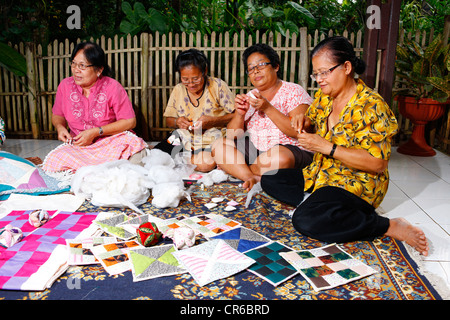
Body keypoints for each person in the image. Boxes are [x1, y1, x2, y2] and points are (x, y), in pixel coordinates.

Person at [260, 36, 429, 256]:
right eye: (316, 74)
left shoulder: (371, 105)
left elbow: (378, 163)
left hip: (356, 183)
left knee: (305, 221)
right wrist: (303, 120)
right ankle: (318, 203)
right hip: (322, 175)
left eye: (324, 72)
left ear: (346, 67)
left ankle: (388, 225)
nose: (319, 80)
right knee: (270, 178)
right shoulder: (325, 97)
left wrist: (328, 148)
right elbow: (311, 121)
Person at [212, 43, 314, 191]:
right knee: (219, 145)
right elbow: (232, 136)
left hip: (288, 150)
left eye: (261, 65)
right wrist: (240, 114)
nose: (255, 71)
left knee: (280, 159)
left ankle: (239, 170)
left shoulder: (293, 91)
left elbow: (299, 132)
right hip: (256, 151)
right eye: (251, 68)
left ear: (276, 66)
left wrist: (267, 108)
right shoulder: (250, 96)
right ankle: (251, 177)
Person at [42, 42, 148, 173]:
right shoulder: (65, 86)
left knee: (135, 156)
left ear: (99, 70)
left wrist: (95, 132)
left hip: (112, 142)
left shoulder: (112, 87)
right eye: (73, 64)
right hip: (81, 147)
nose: (76, 70)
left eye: (82, 66)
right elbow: (58, 115)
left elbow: (130, 122)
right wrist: (60, 127)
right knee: (54, 160)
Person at [153, 49, 235, 172]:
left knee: (205, 164)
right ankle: (185, 159)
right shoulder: (178, 89)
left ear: (204, 71)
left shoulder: (217, 86)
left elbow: (236, 115)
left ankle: (182, 160)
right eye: (185, 79)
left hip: (212, 140)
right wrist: (178, 122)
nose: (191, 84)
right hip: (184, 138)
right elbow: (169, 120)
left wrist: (213, 122)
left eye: (196, 79)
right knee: (155, 156)